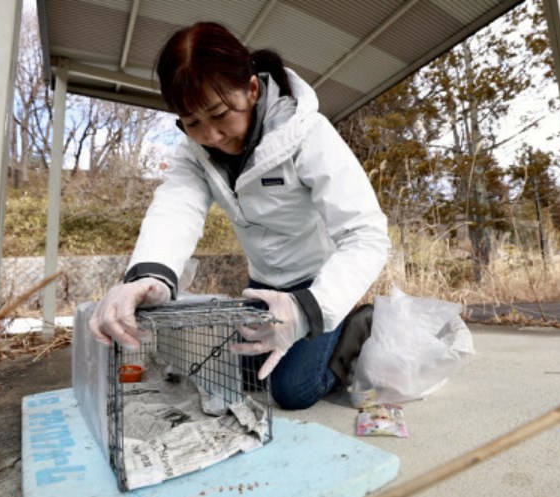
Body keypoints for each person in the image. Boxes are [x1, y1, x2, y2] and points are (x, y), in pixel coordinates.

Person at [89, 21, 390, 410]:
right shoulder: (194, 152)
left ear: (251, 89)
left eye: (219, 114)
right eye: (192, 122)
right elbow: (176, 208)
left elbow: (366, 234)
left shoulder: (307, 133)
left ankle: (356, 323)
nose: (211, 136)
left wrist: (311, 308)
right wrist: (147, 276)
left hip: (317, 283)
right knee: (242, 373)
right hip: (263, 282)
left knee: (291, 391)